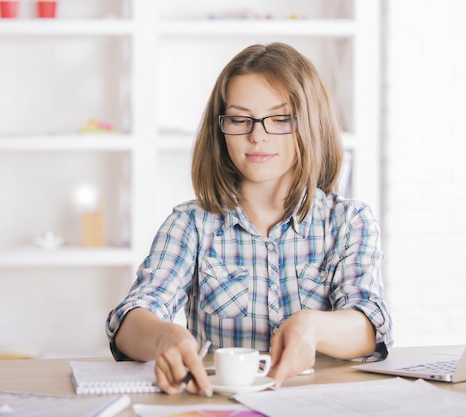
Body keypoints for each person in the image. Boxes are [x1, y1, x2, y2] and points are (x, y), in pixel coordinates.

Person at [106, 42, 393, 396]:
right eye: (240, 119)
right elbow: (131, 318)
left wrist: (312, 327)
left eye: (280, 118)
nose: (257, 135)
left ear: (311, 124)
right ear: (221, 127)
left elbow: (369, 326)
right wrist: (164, 336)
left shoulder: (349, 222)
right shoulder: (190, 224)